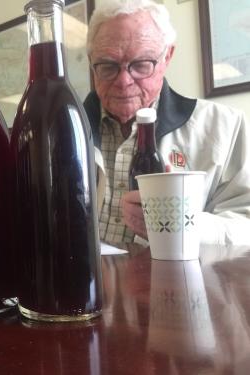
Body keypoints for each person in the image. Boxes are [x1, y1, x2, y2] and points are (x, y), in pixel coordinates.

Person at [83, 0, 250, 246]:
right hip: (81, 282)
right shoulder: (62, 130)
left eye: (141, 65)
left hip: (181, 283)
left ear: (167, 56)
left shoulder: (224, 127)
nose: (123, 82)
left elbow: (245, 223)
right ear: (91, 61)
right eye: (108, 66)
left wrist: (182, 224)